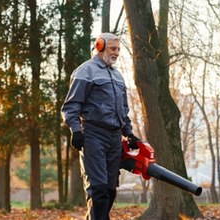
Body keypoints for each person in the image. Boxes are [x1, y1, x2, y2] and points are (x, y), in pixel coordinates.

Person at [61, 32, 140, 220]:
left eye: (118, 49)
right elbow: (71, 106)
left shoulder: (118, 76)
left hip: (114, 137)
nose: (116, 52)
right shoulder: (85, 71)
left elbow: (123, 109)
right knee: (99, 189)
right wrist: (76, 131)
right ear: (99, 46)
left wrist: (128, 133)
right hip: (93, 134)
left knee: (110, 191)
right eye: (113, 48)